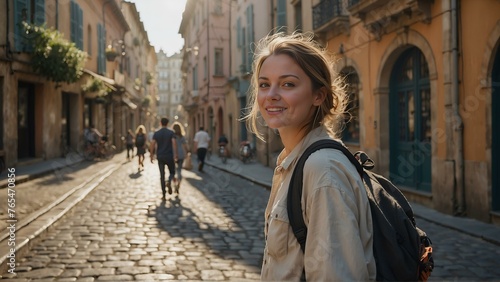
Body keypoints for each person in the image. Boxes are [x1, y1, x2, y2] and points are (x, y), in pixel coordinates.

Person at [244, 32, 376, 281]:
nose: (271, 94)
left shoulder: (322, 169)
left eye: (288, 84)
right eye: (264, 84)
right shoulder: (293, 160)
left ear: (319, 95)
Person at [150, 118, 178, 200]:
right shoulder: (171, 132)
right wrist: (176, 154)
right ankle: (169, 180)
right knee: (172, 172)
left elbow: (152, 143)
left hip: (160, 156)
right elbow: (174, 143)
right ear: (168, 123)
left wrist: (151, 155)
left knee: (162, 175)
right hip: (169, 156)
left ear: (160, 123)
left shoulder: (157, 133)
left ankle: (164, 195)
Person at [172, 122, 189, 193]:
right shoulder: (182, 137)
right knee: (179, 170)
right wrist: (187, 152)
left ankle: (174, 182)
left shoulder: (172, 136)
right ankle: (178, 184)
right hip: (181, 154)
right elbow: (185, 146)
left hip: (172, 154)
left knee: (172, 171)